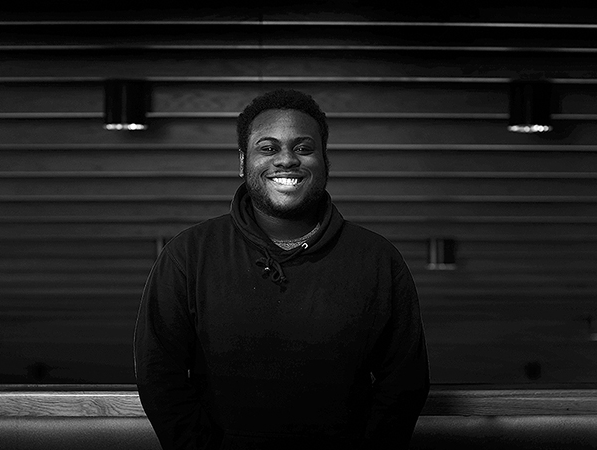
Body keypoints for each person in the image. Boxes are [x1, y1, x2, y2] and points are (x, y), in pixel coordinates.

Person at [134, 89, 429, 450]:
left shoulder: (379, 259)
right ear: (243, 162)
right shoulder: (188, 254)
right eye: (268, 148)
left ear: (325, 161)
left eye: (303, 148)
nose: (286, 160)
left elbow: (404, 382)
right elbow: (159, 374)